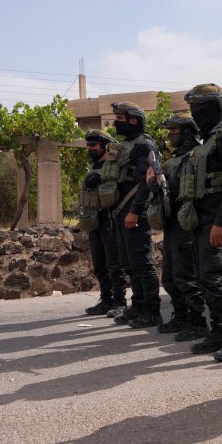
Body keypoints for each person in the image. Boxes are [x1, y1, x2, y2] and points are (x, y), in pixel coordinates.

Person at [172, 84, 222, 361]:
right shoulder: (205, 142)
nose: (196, 113)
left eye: (201, 108)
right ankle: (219, 330)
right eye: (193, 108)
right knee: (202, 278)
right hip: (199, 219)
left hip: (214, 220)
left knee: (214, 279)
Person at [105, 101, 163, 329]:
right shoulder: (125, 146)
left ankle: (152, 311)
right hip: (121, 213)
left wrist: (135, 211)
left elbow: (146, 182)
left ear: (134, 121)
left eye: (121, 119)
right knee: (128, 263)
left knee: (142, 262)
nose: (116, 123)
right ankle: (138, 306)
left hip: (134, 213)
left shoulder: (144, 145)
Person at [153, 113, 209, 342]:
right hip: (172, 222)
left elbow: (186, 187)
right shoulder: (175, 158)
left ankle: (197, 322)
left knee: (185, 276)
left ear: (187, 131)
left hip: (186, 223)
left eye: (174, 131)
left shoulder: (195, 157)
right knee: (169, 277)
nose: (170, 135)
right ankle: (181, 314)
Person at [78, 129, 127, 316]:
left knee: (114, 264)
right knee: (99, 264)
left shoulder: (113, 166)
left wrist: (101, 177)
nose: (90, 149)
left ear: (105, 146)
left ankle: (120, 302)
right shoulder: (94, 167)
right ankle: (106, 300)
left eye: (94, 145)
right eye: (89, 145)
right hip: (94, 221)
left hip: (110, 220)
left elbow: (121, 186)